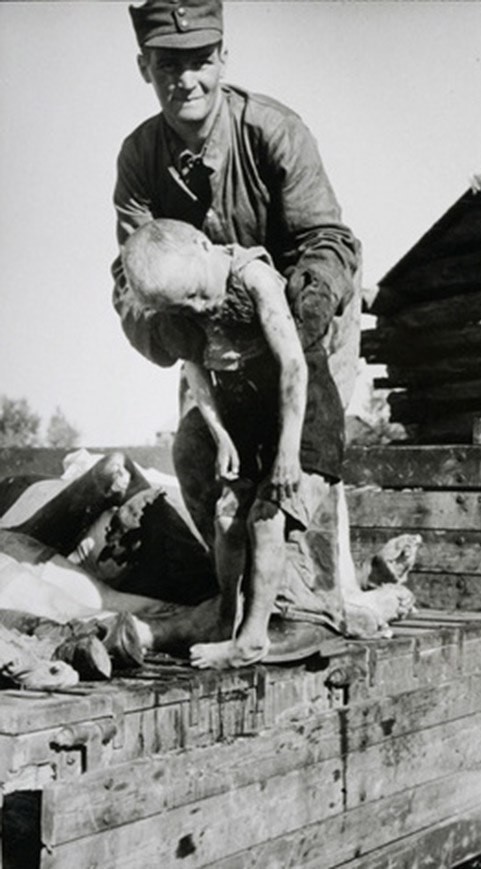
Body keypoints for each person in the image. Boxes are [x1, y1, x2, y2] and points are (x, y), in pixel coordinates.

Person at [112, 0, 362, 590]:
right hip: (211, 334)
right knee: (199, 462)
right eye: (167, 64)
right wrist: (166, 332)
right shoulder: (139, 159)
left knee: (301, 465)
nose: (185, 80)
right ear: (143, 67)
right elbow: (129, 281)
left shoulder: (274, 131)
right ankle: (243, 600)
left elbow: (329, 239)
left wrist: (312, 301)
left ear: (223, 57)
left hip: (304, 323)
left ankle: (321, 603)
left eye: (199, 60)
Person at [121, 218, 346, 667]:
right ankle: (229, 616)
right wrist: (221, 435)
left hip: (303, 416)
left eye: (199, 294)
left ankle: (253, 638)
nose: (199, 307)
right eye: (185, 304)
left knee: (266, 519)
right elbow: (195, 370)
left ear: (206, 247)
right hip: (247, 421)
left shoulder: (252, 278)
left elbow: (294, 368)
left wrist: (287, 452)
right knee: (228, 518)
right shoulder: (186, 309)